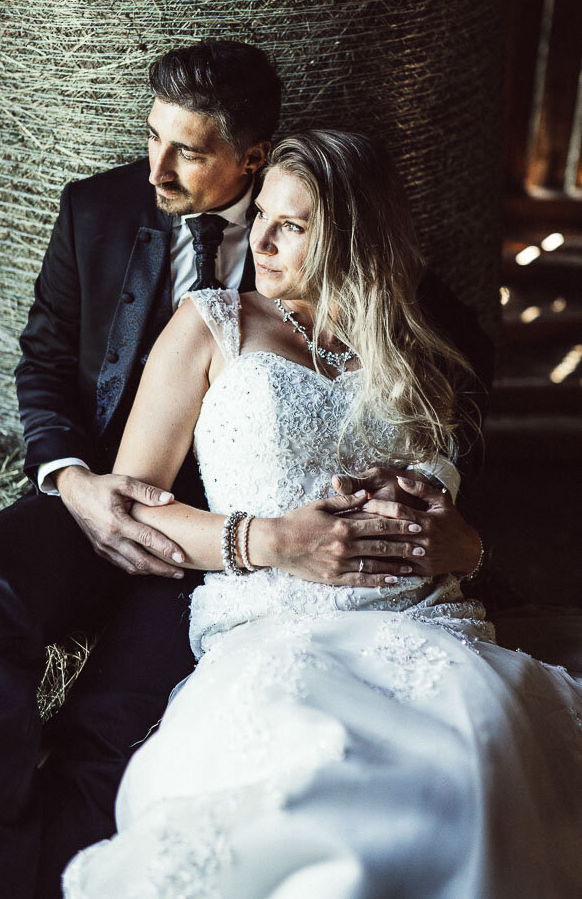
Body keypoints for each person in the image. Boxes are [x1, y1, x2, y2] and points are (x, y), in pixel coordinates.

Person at [0, 42, 489, 899]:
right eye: (152, 137)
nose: (158, 167)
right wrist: (72, 478)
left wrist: (431, 520)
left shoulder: (323, 221)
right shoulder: (100, 211)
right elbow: (40, 363)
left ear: (250, 158)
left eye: (187, 150)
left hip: (248, 528)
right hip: (116, 482)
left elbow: (437, 385)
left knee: (116, 726)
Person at [62, 131, 582, 899]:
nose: (260, 240)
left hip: (427, 629)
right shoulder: (212, 324)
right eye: (261, 214)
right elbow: (131, 515)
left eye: (292, 225)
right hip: (279, 631)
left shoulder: (421, 351)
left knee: (477, 768)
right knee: (316, 782)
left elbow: (454, 523)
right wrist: (268, 541)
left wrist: (465, 548)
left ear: (354, 236)